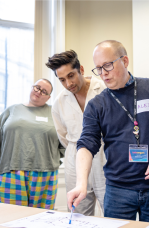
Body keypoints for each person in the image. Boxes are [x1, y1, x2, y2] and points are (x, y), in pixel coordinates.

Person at [67, 40, 149, 224]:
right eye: (98, 68)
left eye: (107, 65)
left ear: (125, 61)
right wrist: (81, 183)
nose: (103, 73)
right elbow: (86, 144)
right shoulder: (97, 105)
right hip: (118, 192)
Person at [46, 50, 106, 216]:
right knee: (78, 212)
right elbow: (63, 135)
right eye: (62, 80)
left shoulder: (104, 89)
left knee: (111, 209)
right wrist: (77, 149)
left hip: (105, 154)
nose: (68, 83)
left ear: (81, 69)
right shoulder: (60, 102)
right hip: (75, 155)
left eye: (71, 76)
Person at [0, 79, 65, 209]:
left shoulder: (55, 113)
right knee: (8, 217)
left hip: (45, 174)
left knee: (41, 220)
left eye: (44, 91)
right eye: (37, 87)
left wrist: (53, 159)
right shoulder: (11, 110)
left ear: (48, 97)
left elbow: (65, 140)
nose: (39, 92)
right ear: (31, 87)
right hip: (10, 172)